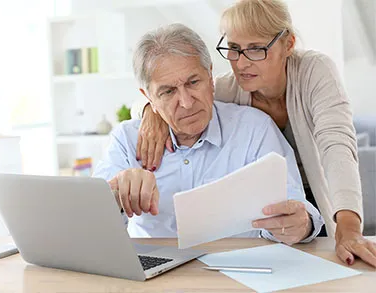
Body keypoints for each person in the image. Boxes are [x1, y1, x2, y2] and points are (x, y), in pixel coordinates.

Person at [132, 0, 376, 267]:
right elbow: (167, 95)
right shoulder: (227, 88)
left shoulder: (314, 72)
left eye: (256, 49)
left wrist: (349, 226)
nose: (242, 63)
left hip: (315, 205)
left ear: (288, 44)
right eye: (234, 49)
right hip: (268, 215)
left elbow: (337, 148)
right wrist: (150, 112)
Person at [93, 23, 324, 244]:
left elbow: (295, 206)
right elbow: (92, 222)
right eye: (168, 92)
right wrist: (116, 194)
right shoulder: (126, 140)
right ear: (148, 97)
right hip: (156, 279)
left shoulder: (255, 129)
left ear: (210, 77)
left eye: (193, 82)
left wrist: (301, 225)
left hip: (238, 272)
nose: (185, 102)